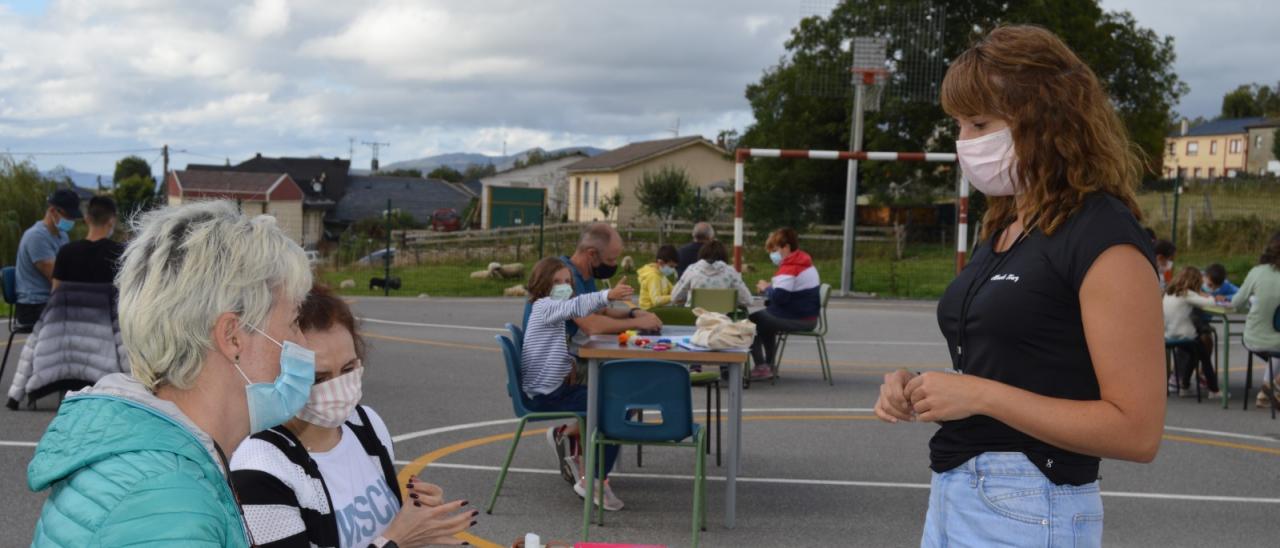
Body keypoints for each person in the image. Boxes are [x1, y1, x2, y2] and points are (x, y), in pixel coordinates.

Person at [874, 26, 1165, 547]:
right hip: (957, 490)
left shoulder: (1103, 235)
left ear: (1045, 117)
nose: (965, 143)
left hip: (1031, 500)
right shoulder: (1007, 226)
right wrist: (920, 386)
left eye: (979, 123)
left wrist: (979, 394)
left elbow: (1137, 431)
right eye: (959, 126)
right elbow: (1019, 365)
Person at [27, 200, 314, 546]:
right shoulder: (168, 501)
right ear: (232, 336)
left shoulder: (162, 464)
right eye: (295, 321)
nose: (303, 342)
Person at [232, 284, 475, 547]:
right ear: (280, 373)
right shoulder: (260, 466)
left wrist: (421, 516)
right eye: (319, 378)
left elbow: (386, 527)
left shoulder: (366, 423)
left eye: (348, 369)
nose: (337, 387)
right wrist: (397, 540)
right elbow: (393, 537)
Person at [522, 257, 634, 511]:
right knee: (612, 410)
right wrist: (608, 294)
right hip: (547, 395)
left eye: (568, 282)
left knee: (607, 400)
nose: (564, 286)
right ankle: (594, 480)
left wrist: (568, 365)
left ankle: (589, 468)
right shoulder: (545, 306)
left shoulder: (550, 309)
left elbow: (550, 348)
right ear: (541, 285)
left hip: (550, 389)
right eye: (557, 282)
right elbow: (579, 304)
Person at [522, 223, 661, 341]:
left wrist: (633, 313)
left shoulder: (585, 275)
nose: (614, 265)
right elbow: (592, 326)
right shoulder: (565, 280)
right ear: (592, 254)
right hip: (549, 365)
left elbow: (602, 312)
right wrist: (638, 323)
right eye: (610, 260)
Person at [749, 228, 820, 380]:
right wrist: (772, 288)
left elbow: (780, 298)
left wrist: (766, 288)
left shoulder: (791, 266)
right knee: (764, 321)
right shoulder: (803, 261)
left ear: (786, 247)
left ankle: (762, 366)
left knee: (748, 324)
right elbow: (788, 291)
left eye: (775, 250)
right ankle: (769, 365)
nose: (773, 255)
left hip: (798, 318)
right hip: (807, 315)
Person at [14, 189, 80, 326]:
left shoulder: (62, 235)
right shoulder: (36, 237)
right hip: (33, 305)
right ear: (52, 211)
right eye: (68, 216)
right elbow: (58, 277)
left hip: (52, 301)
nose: (71, 220)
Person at [1231, 232, 1280, 408]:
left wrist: (1255, 302)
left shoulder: (1257, 272)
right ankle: (1272, 385)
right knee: (1277, 347)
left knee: (1276, 347)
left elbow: (1236, 302)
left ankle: (1265, 392)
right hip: (1276, 341)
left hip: (1253, 338)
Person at [1163, 266, 1220, 398]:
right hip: (1185, 336)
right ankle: (1214, 390)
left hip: (1168, 335)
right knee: (1204, 354)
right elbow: (1210, 303)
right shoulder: (1187, 294)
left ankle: (1185, 386)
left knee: (1195, 353)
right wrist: (1206, 295)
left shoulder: (1168, 293)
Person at [52, 195, 125, 288]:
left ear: (87, 219)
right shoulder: (120, 253)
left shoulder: (65, 252)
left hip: (72, 302)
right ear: (112, 221)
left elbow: (55, 292)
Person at [670, 239, 752, 309]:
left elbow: (675, 297)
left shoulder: (692, 270)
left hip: (695, 319)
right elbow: (748, 300)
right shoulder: (730, 272)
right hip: (722, 320)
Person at [636, 244, 678, 310]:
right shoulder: (653, 276)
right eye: (671, 266)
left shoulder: (661, 275)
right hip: (648, 311)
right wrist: (674, 297)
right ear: (660, 262)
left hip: (656, 310)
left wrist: (682, 290)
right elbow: (656, 300)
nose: (673, 270)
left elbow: (673, 290)